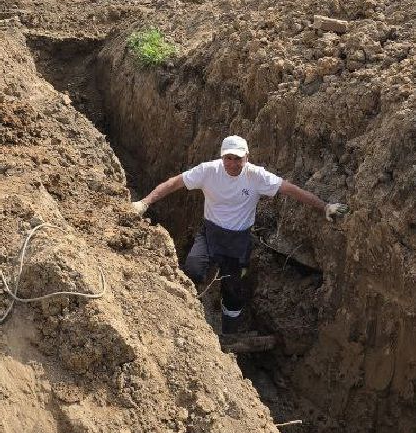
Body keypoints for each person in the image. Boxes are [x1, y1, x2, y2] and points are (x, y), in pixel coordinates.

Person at [129, 136, 347, 335]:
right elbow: (174, 183)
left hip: (238, 241)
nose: (233, 164)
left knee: (233, 291)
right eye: (229, 158)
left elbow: (291, 190)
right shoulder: (208, 170)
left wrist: (324, 206)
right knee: (193, 270)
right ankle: (185, 321)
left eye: (238, 159)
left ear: (247, 158)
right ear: (222, 156)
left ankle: (229, 334)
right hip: (211, 233)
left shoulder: (256, 176)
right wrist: (144, 203)